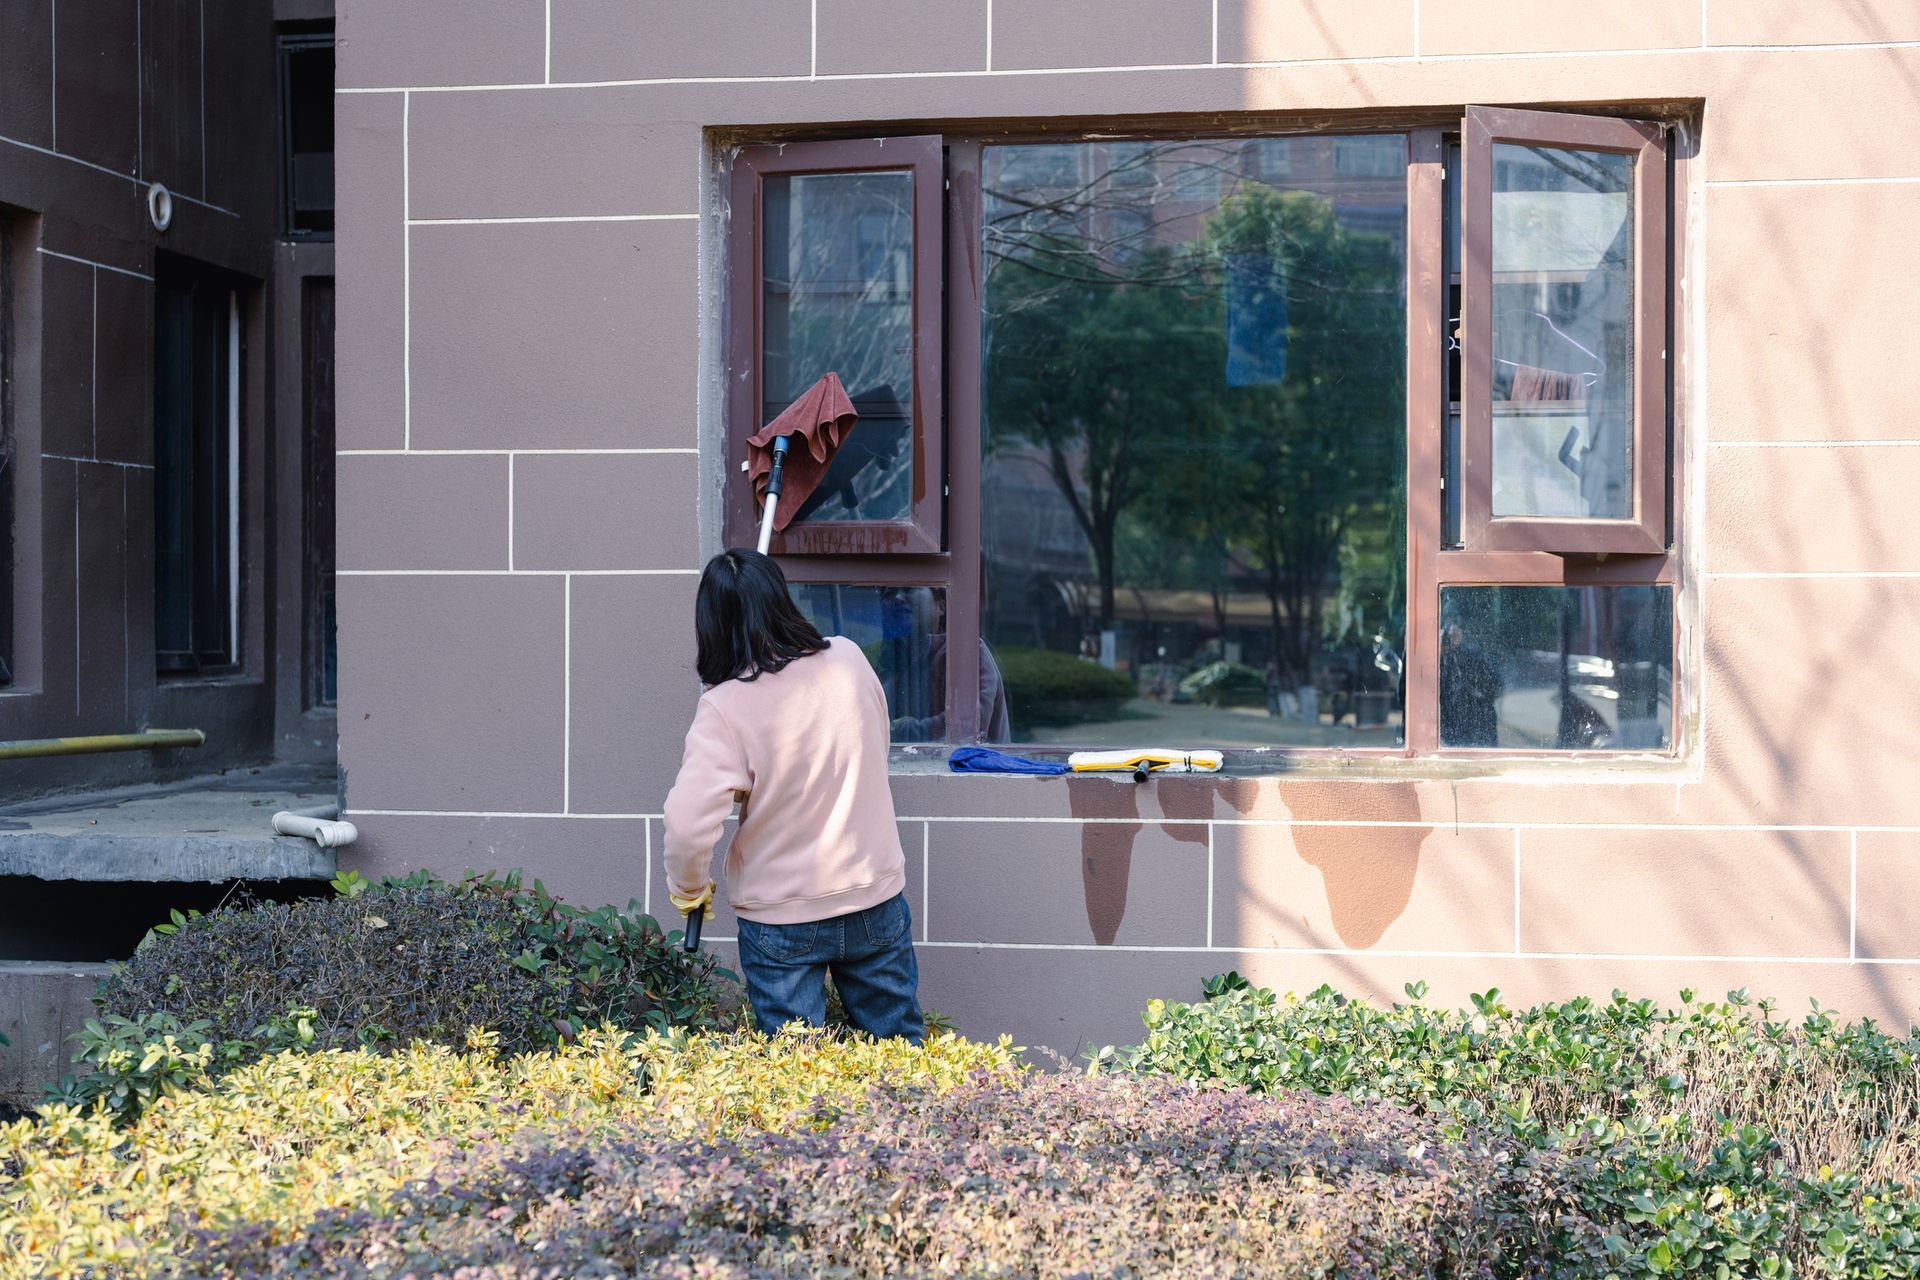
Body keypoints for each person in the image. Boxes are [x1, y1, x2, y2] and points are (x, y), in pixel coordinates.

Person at [662, 549, 924, 1042]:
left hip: (782, 919)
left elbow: (687, 822)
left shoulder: (722, 707)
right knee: (904, 1064)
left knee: (797, 1081)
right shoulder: (848, 658)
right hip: (872, 895)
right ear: (782, 599)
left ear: (712, 625)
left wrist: (690, 889)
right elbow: (875, 743)